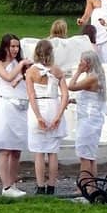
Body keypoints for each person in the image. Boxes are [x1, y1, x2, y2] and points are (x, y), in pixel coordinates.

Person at [25, 39, 69, 195]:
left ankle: (40, 185)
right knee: (52, 151)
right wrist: (59, 115)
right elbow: (65, 95)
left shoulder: (30, 72)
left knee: (38, 151)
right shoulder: (57, 71)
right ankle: (51, 185)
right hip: (53, 106)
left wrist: (38, 116)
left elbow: (31, 95)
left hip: (38, 107)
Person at [0, 33, 32, 198]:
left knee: (16, 149)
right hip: (6, 106)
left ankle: (13, 183)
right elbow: (8, 77)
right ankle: (6, 186)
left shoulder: (20, 65)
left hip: (21, 107)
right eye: (12, 46)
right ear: (5, 47)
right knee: (5, 148)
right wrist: (21, 64)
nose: (15, 50)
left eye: (17, 46)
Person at [67, 49, 107, 188]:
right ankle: (91, 185)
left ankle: (85, 186)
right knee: (90, 155)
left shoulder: (92, 77)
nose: (80, 64)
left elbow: (71, 86)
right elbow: (91, 99)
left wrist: (78, 71)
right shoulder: (95, 76)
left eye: (82, 62)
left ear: (88, 63)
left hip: (89, 120)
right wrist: (73, 101)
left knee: (85, 155)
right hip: (91, 117)